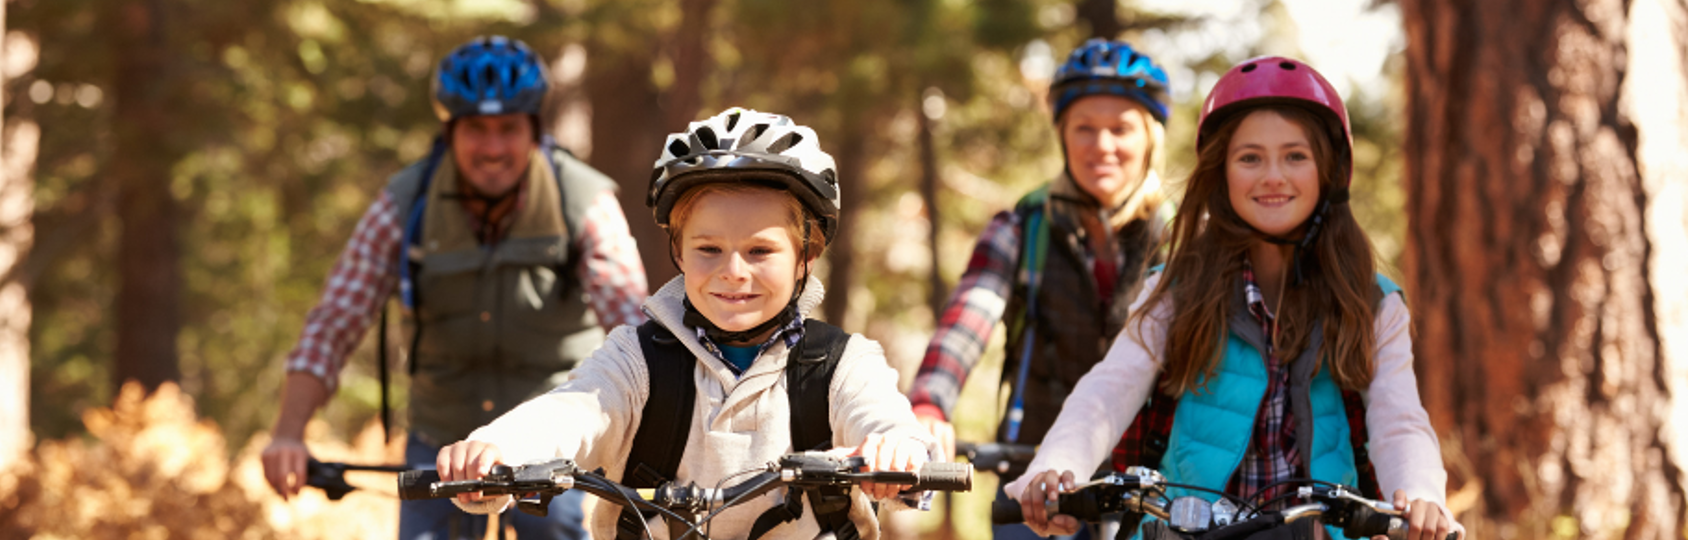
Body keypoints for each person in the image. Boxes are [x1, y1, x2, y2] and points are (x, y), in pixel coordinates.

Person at [1007, 57, 1464, 540]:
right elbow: (1109, 390)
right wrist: (1058, 465)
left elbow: (1399, 420)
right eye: (1250, 158)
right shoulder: (1177, 290)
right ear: (1221, 172)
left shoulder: (1370, 302)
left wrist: (1420, 495)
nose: (1272, 176)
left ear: (1328, 171)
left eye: (1295, 156)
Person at [435, 108, 937, 540]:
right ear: (678, 250)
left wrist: (897, 450)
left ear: (807, 253)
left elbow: (886, 419)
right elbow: (573, 410)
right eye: (708, 249)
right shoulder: (636, 359)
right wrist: (499, 447)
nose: (733, 271)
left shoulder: (843, 365)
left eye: (760, 250)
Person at [260, 35, 649, 540]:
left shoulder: (584, 200)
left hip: (550, 438)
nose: (492, 147)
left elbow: (634, 327)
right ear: (449, 132)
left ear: (534, 130)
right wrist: (288, 432)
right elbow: (336, 319)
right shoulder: (404, 202)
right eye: (476, 130)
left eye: (508, 128)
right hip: (439, 439)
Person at [904, 39, 1173, 539]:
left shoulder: (1185, 241)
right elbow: (970, 315)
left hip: (1153, 481)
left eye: (1121, 129)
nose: (1102, 145)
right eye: (1084, 128)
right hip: (1034, 474)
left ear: (1151, 137)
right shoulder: (1023, 227)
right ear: (1062, 135)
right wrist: (929, 404)